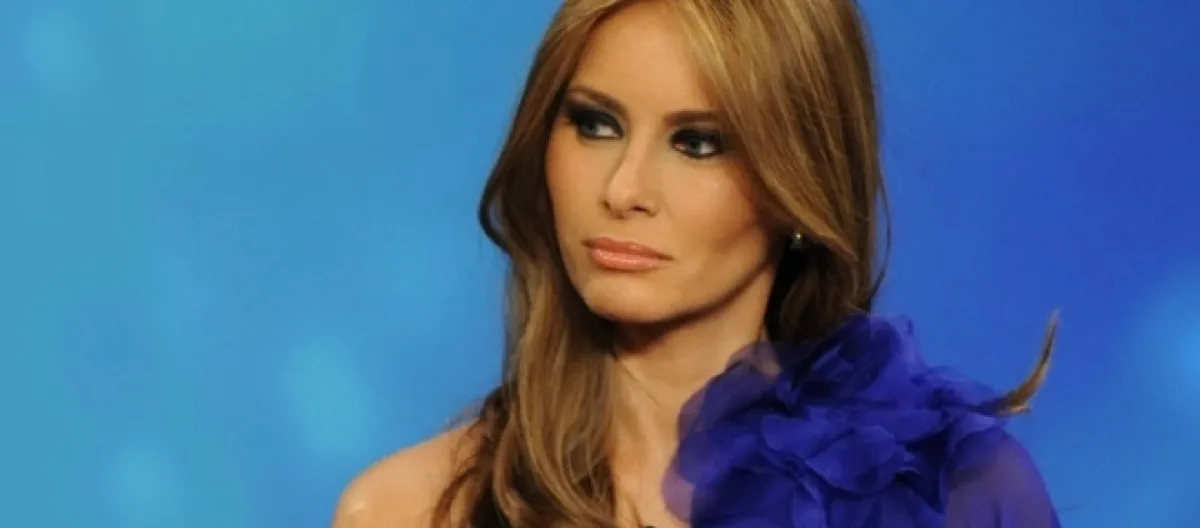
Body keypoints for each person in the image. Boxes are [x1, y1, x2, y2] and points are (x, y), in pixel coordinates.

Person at [333, 0, 1060, 526]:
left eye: (698, 143)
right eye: (595, 124)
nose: (623, 189)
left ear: (799, 185)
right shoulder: (408, 511)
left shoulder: (953, 494)